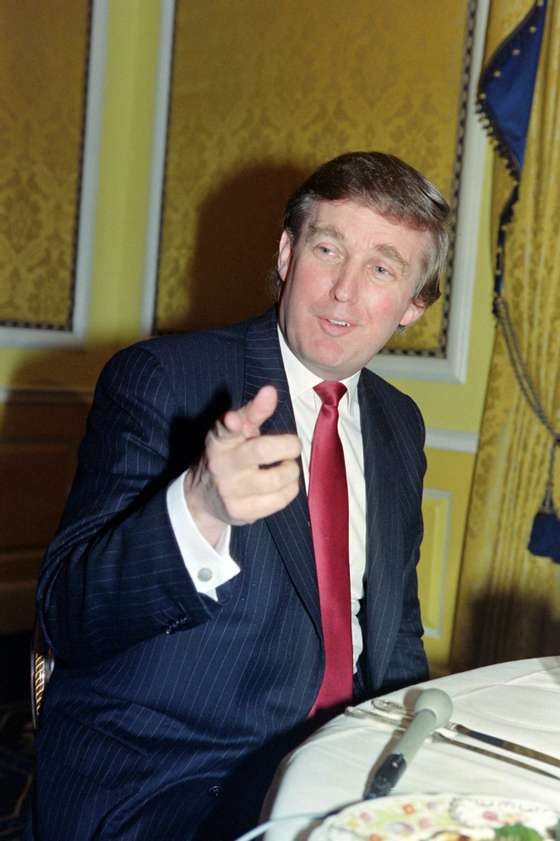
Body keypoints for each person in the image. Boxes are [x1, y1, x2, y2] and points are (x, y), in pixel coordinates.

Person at [26, 151, 449, 841]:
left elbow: (393, 624)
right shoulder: (165, 379)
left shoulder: (399, 423)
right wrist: (199, 510)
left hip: (337, 765)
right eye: (326, 248)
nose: (343, 290)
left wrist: (405, 762)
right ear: (286, 254)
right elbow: (67, 615)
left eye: (381, 268)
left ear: (413, 305)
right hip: (169, 781)